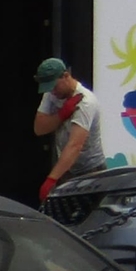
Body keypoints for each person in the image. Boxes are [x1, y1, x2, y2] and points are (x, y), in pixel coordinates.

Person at [31, 57, 106, 202]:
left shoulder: (85, 102)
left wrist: (51, 179)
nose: (52, 92)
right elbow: (39, 128)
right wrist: (62, 114)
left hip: (91, 170)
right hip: (67, 169)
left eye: (54, 86)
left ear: (66, 76)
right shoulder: (52, 94)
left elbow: (75, 146)